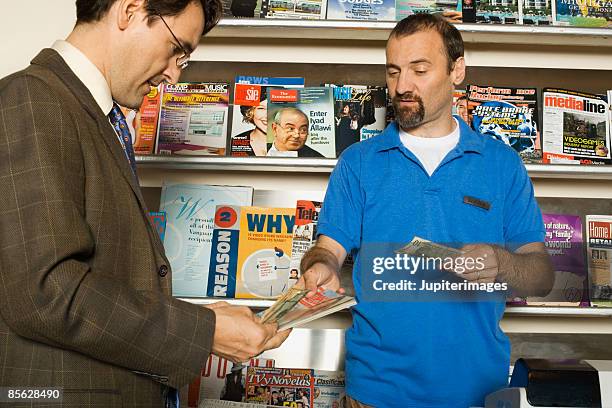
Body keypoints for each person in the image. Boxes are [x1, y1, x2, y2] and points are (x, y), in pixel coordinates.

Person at [0, 1, 289, 407]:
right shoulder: (33, 99)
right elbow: (45, 293)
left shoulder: (91, 113)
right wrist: (203, 331)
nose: (173, 74)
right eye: (176, 49)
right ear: (129, 10)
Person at [296, 14, 553, 408]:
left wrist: (502, 263)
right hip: (374, 393)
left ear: (457, 71)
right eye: (394, 71)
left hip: (478, 393)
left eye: (419, 69)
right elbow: (327, 249)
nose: (402, 86)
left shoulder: (501, 165)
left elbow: (540, 277)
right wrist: (319, 267)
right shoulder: (358, 162)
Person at [232, 88, 268, 156]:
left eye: (274, 108)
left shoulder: (293, 142)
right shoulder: (235, 143)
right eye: (261, 108)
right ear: (250, 112)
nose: (268, 115)